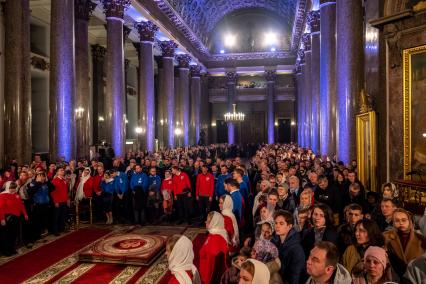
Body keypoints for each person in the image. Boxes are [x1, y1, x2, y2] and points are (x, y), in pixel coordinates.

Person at [384, 208, 426, 278]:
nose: (401, 223)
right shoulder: (386, 237)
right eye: (397, 220)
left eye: (404, 220)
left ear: (409, 221)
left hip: (415, 277)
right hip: (394, 277)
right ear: (393, 223)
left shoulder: (421, 239)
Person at [272, 209, 306, 284]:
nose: (277, 226)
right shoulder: (275, 242)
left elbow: (294, 277)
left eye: (281, 223)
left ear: (289, 226)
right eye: (276, 223)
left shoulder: (296, 249)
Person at [199, 211, 229, 283]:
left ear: (214, 223)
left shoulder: (215, 238)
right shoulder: (217, 232)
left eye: (208, 221)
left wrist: (207, 281)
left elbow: (211, 266)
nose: (205, 222)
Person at [0, 181, 28, 256]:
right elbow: (1, 208)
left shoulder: (16, 195)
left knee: (13, 234)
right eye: (11, 188)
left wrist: (25, 214)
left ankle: (11, 248)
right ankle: (5, 250)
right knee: (6, 235)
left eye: (14, 188)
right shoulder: (2, 195)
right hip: (7, 218)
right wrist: (2, 219)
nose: (13, 189)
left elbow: (21, 205)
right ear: (7, 187)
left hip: (16, 217)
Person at [51, 167, 70, 235]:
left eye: (63, 170)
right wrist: (55, 201)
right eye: (61, 170)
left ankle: (61, 228)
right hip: (58, 201)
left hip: (64, 200)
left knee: (63, 215)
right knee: (56, 216)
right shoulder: (54, 181)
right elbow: (53, 192)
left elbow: (65, 191)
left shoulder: (64, 180)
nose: (63, 171)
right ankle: (55, 230)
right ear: (57, 172)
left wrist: (67, 199)